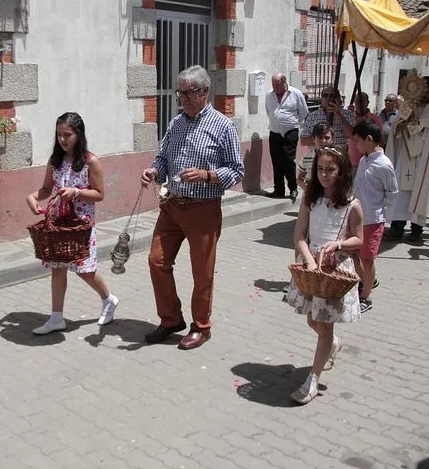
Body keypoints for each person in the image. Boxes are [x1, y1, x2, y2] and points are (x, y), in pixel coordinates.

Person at [140, 65, 244, 350]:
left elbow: (236, 170)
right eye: (180, 92)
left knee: (202, 272)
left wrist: (207, 175)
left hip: (203, 209)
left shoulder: (223, 126)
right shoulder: (176, 123)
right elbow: (163, 158)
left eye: (190, 92)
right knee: (156, 261)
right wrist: (153, 171)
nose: (184, 98)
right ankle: (171, 319)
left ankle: (201, 326)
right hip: (172, 205)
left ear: (205, 92)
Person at [26, 113, 119, 334]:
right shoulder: (55, 161)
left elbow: (99, 194)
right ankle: (57, 318)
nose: (62, 140)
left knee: (84, 270)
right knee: (57, 268)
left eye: (67, 135)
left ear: (79, 134)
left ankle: (109, 299)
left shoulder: (90, 161)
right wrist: (31, 197)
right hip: (59, 223)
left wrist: (76, 192)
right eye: (59, 135)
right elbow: (47, 189)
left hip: (81, 225)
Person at [285, 146, 364, 404]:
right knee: (312, 320)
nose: (324, 174)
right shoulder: (311, 198)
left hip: (334, 272)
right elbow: (299, 235)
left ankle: (313, 380)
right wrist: (308, 260)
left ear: (341, 172)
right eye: (320, 169)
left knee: (324, 324)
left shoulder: (352, 205)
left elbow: (358, 239)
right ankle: (332, 344)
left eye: (330, 169)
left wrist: (339, 245)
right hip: (312, 269)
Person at [384, 75, 429, 242]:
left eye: (427, 90)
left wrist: (418, 125)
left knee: (423, 191)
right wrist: (403, 125)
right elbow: (397, 127)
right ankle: (397, 228)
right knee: (401, 190)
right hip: (407, 153)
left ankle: (417, 229)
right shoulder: (408, 105)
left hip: (427, 157)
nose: (423, 94)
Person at [351, 120, 397, 313]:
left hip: (373, 220)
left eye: (357, 141)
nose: (356, 145)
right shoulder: (364, 159)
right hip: (357, 217)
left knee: (368, 258)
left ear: (369, 139)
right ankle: (368, 280)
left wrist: (378, 210)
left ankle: (366, 296)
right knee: (354, 253)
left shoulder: (384, 165)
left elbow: (392, 193)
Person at [265, 73, 308, 202]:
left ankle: (293, 188)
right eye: (273, 85)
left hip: (290, 132)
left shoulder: (295, 93)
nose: (275, 88)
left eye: (277, 85)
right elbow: (269, 111)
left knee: (288, 160)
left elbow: (304, 112)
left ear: (284, 82)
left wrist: (292, 123)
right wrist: (277, 121)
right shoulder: (269, 94)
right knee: (276, 160)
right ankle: (278, 189)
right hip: (274, 131)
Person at [300, 87, 355, 153]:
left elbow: (353, 135)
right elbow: (303, 140)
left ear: (338, 98)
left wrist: (339, 114)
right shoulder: (312, 116)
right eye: (325, 95)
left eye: (332, 95)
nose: (328, 98)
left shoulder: (348, 114)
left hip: (340, 154)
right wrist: (321, 139)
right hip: (320, 155)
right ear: (321, 98)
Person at [347, 91, 384, 168]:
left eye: (362, 101)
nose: (360, 103)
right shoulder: (349, 117)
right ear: (354, 102)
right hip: (354, 161)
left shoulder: (376, 119)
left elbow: (381, 141)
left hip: (371, 161)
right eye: (358, 101)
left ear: (367, 102)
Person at [296, 122, 334, 191]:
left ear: (332, 140)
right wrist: (308, 190)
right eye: (320, 138)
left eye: (327, 138)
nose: (323, 141)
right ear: (313, 139)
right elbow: (299, 179)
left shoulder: (337, 158)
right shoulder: (307, 158)